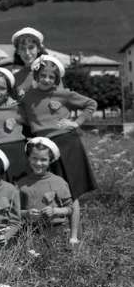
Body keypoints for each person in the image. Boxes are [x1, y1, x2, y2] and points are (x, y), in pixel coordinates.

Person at [19, 54, 97, 200]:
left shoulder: (63, 94)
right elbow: (19, 114)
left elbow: (91, 104)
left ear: (56, 79)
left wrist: (76, 122)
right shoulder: (27, 97)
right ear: (36, 75)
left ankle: (73, 215)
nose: (47, 80)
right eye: (43, 75)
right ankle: (55, 215)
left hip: (68, 142)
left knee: (72, 190)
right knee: (52, 188)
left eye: (51, 77)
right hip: (45, 146)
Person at [18, 137, 79, 245]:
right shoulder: (21, 184)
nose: (38, 163)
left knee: (54, 253)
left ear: (50, 160)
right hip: (29, 231)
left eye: (43, 160)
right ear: (29, 158)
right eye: (34, 158)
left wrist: (55, 211)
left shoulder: (59, 182)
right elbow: (13, 211)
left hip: (55, 229)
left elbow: (70, 208)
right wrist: (26, 213)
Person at [11, 27, 47, 98]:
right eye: (22, 48)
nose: (27, 53)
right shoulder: (14, 78)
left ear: (38, 49)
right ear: (18, 51)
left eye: (31, 47)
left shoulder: (50, 73)